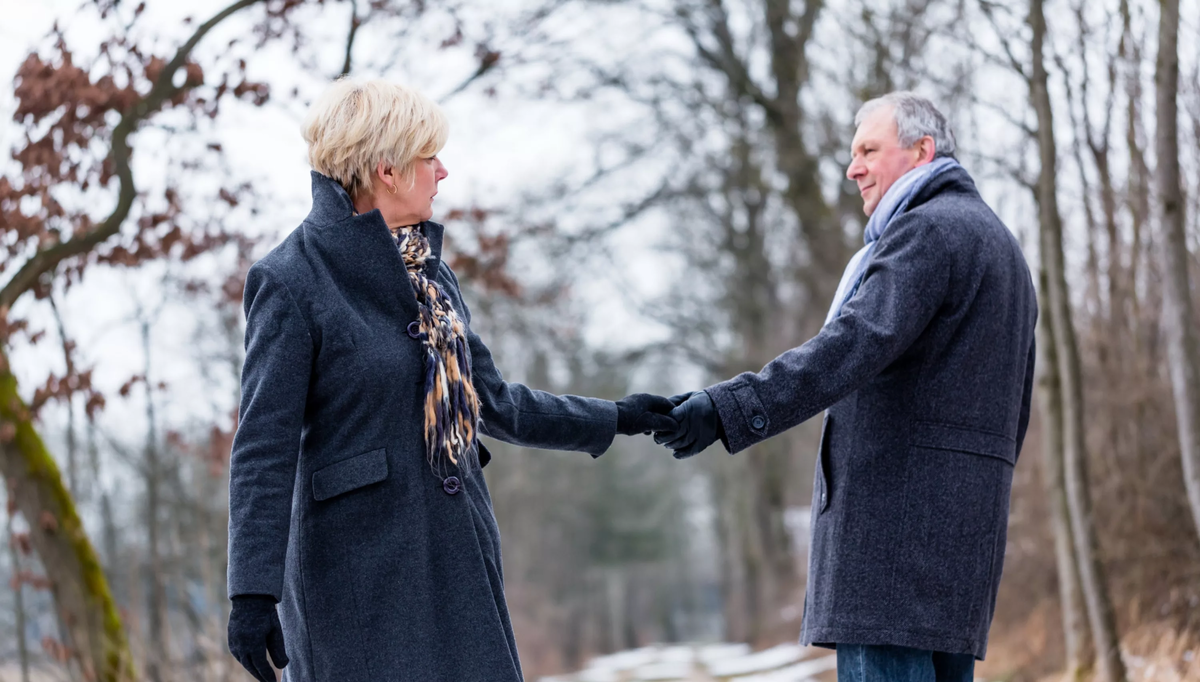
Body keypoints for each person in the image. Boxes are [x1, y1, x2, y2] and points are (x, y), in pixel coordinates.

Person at [225, 78, 676, 682]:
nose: (443, 172)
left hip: (457, 559)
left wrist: (619, 416)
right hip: (357, 582)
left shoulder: (432, 279)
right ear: (386, 168)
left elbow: (496, 402)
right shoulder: (289, 280)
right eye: (428, 157)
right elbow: (263, 445)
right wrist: (251, 594)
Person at [654, 92, 1037, 681]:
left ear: (921, 152)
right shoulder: (1002, 247)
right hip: (961, 546)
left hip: (892, 550)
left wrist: (727, 408)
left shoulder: (926, 233)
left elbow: (846, 348)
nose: (852, 167)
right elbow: (1016, 413)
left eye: (868, 150)